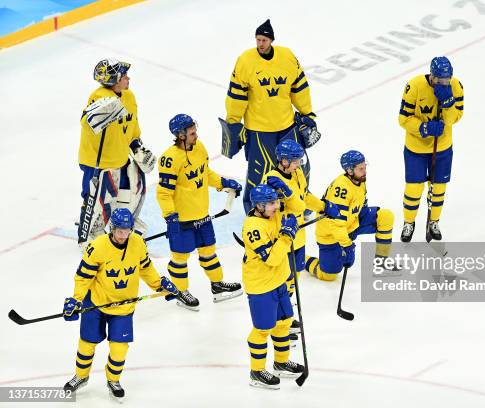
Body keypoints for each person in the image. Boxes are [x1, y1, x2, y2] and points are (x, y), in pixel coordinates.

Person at [62, 208, 178, 401]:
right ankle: (81, 377)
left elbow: (146, 268)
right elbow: (83, 278)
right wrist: (76, 299)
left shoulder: (138, 243)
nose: (123, 235)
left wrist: (159, 285)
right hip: (96, 303)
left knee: (119, 348)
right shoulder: (97, 247)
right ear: (112, 228)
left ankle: (113, 380)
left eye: (127, 230)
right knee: (86, 344)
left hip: (123, 307)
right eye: (119, 231)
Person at [223, 19, 319, 213]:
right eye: (257, 40)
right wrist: (233, 122)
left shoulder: (287, 57)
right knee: (258, 172)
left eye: (264, 40)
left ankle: (301, 203)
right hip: (259, 130)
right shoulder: (245, 61)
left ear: (271, 40)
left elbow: (299, 88)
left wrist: (307, 114)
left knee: (299, 166)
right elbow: (236, 96)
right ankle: (253, 209)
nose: (260, 44)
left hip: (287, 126)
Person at [156, 114, 243, 310]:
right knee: (180, 258)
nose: (196, 135)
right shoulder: (169, 159)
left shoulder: (200, 147)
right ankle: (180, 291)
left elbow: (206, 174)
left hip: (202, 215)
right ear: (180, 135)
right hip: (182, 220)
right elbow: (163, 193)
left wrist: (223, 183)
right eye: (192, 133)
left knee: (209, 252)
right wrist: (170, 216)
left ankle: (218, 286)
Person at [261, 139, 340, 334]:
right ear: (284, 161)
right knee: (281, 281)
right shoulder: (272, 181)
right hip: (283, 237)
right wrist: (287, 193)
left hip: (298, 236)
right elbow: (297, 206)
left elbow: (304, 196)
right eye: (295, 161)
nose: (299, 164)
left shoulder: (296, 173)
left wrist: (323, 205)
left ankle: (285, 316)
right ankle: (280, 320)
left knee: (292, 279)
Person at [78, 58, 156, 249]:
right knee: (95, 199)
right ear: (114, 79)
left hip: (120, 158)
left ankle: (119, 228)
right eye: (124, 75)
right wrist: (94, 115)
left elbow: (132, 126)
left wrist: (137, 147)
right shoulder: (99, 97)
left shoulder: (129, 97)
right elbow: (87, 123)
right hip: (98, 162)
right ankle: (87, 237)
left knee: (124, 196)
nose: (128, 78)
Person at [242, 184, 305, 389]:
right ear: (259, 206)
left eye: (276, 201)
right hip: (260, 285)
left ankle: (281, 362)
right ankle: (257, 372)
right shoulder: (252, 227)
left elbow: (297, 208)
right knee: (262, 329)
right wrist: (287, 236)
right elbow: (272, 258)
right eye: (270, 203)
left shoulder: (274, 214)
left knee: (284, 322)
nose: (276, 206)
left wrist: (287, 191)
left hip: (278, 281)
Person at [398, 56, 464, 242]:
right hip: (416, 148)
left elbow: (454, 119)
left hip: (442, 146)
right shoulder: (414, 86)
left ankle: (433, 221)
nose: (444, 82)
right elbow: (403, 118)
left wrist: (448, 101)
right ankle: (408, 222)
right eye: (440, 79)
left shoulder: (456, 86)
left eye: (447, 79)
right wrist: (423, 128)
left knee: (438, 187)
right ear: (432, 76)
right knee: (414, 188)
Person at [304, 151, 395, 281]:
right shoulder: (341, 189)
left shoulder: (360, 180)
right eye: (361, 169)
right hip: (331, 234)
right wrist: (347, 245)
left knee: (386, 216)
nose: (365, 171)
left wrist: (359, 220)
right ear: (350, 170)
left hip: (350, 224)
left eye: (365, 167)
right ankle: (300, 258)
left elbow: (361, 202)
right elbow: (336, 225)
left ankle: (381, 261)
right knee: (328, 276)